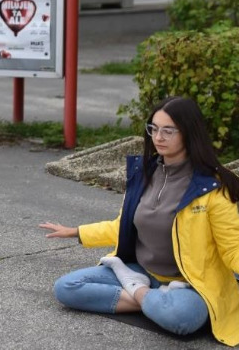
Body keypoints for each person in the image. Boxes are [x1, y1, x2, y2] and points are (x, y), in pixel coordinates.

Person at [39, 97, 239, 346]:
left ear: (189, 132)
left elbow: (232, 248)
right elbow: (123, 226)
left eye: (168, 130)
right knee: (66, 287)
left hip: (192, 282)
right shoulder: (143, 173)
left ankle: (139, 294)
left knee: (182, 317)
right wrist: (77, 232)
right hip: (142, 271)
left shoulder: (213, 186)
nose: (158, 137)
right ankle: (150, 296)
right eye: (153, 129)